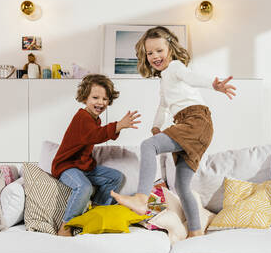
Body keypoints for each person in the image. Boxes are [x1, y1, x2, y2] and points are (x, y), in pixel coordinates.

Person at [111, 26, 236, 238]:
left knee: (147, 146)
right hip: (191, 124)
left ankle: (142, 198)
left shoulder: (176, 67)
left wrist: (213, 85)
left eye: (159, 50)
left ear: (171, 48)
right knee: (181, 185)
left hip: (195, 121)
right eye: (150, 53)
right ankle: (196, 233)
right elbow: (163, 106)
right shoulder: (164, 79)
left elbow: (191, 77)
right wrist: (156, 127)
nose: (155, 56)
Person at [51, 74, 141, 236]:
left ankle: (97, 210)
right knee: (83, 187)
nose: (100, 102)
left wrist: (118, 128)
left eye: (105, 99)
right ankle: (66, 226)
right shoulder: (82, 117)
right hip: (66, 166)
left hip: (83, 165)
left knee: (116, 177)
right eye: (95, 97)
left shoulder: (95, 119)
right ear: (85, 98)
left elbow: (98, 133)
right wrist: (118, 125)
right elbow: (95, 135)